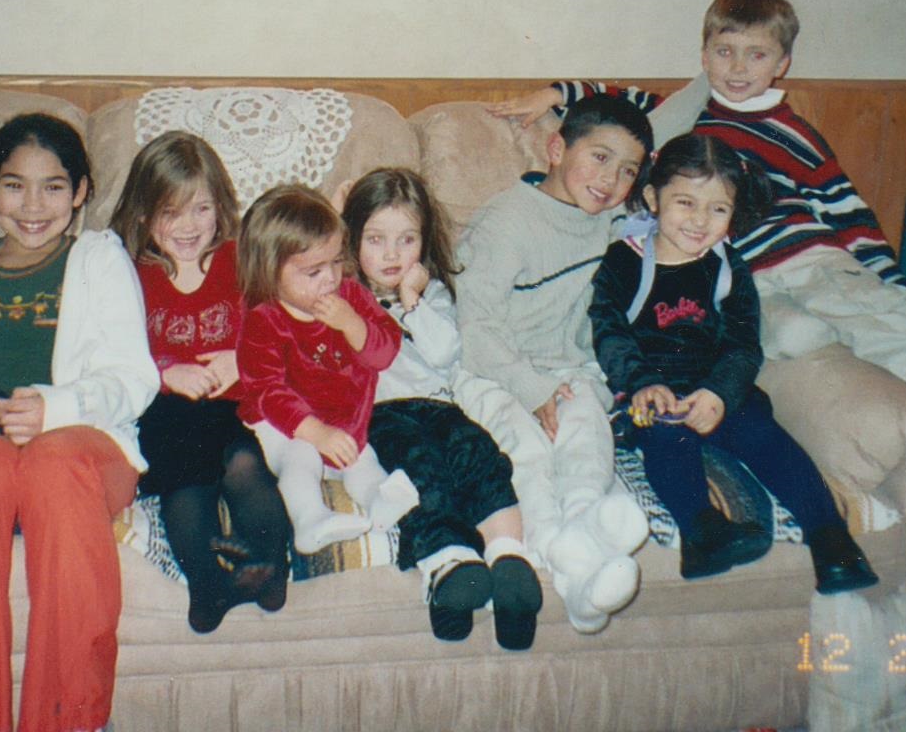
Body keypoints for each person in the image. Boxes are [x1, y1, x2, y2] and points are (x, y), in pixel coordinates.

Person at [491, 0, 906, 482]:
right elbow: (621, 104)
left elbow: (850, 214)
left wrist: (895, 284)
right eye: (724, 52)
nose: (738, 68)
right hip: (747, 277)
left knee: (869, 322)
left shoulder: (792, 133)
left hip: (808, 258)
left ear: (782, 62)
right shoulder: (689, 113)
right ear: (704, 57)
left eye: (756, 54)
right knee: (788, 336)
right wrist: (557, 93)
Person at [0, 113, 158, 732]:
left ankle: (70, 718)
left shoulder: (98, 259)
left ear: (81, 191)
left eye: (54, 187)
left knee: (51, 464)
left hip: (83, 448)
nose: (34, 206)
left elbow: (133, 378)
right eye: (15, 186)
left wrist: (53, 409)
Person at [589, 133, 878, 593]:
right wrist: (641, 382)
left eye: (718, 209)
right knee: (665, 434)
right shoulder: (626, 259)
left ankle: (830, 538)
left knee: (765, 435)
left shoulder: (727, 266)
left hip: (719, 389)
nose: (699, 220)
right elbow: (609, 330)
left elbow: (744, 344)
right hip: (649, 391)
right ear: (653, 198)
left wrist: (720, 393)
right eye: (685, 203)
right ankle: (701, 532)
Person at [454, 94, 652, 633]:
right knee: (527, 454)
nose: (611, 180)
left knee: (587, 430)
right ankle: (566, 560)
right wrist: (530, 388)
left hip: (568, 369)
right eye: (600, 158)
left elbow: (673, 113)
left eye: (628, 170)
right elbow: (476, 330)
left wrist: (710, 77)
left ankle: (586, 535)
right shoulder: (506, 222)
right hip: (494, 368)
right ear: (556, 148)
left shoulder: (611, 218)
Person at [342, 167, 544, 649]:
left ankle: (508, 559)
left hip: (439, 406)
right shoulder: (344, 298)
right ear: (352, 240)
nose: (392, 254)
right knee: (422, 471)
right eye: (376, 239)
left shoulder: (430, 294)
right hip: (380, 414)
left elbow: (445, 353)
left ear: (425, 241)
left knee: (478, 453)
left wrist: (412, 301)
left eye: (407, 239)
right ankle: (449, 564)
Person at [106, 130, 291, 633]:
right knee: (186, 483)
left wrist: (243, 360)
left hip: (229, 406)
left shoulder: (238, 258)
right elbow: (113, 348)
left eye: (201, 209)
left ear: (221, 206)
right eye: (171, 212)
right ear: (142, 214)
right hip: (165, 411)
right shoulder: (130, 271)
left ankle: (270, 567)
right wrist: (166, 372)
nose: (188, 227)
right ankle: (207, 585)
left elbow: (279, 325)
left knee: (245, 464)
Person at [235, 184, 419, 555]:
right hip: (286, 427)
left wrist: (352, 324)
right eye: (313, 271)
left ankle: (380, 501)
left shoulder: (350, 296)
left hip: (343, 419)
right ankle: (309, 520)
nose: (331, 278)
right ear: (270, 272)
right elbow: (268, 391)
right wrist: (316, 433)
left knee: (362, 459)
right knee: (301, 457)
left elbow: (385, 352)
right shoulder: (264, 320)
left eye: (336, 262)